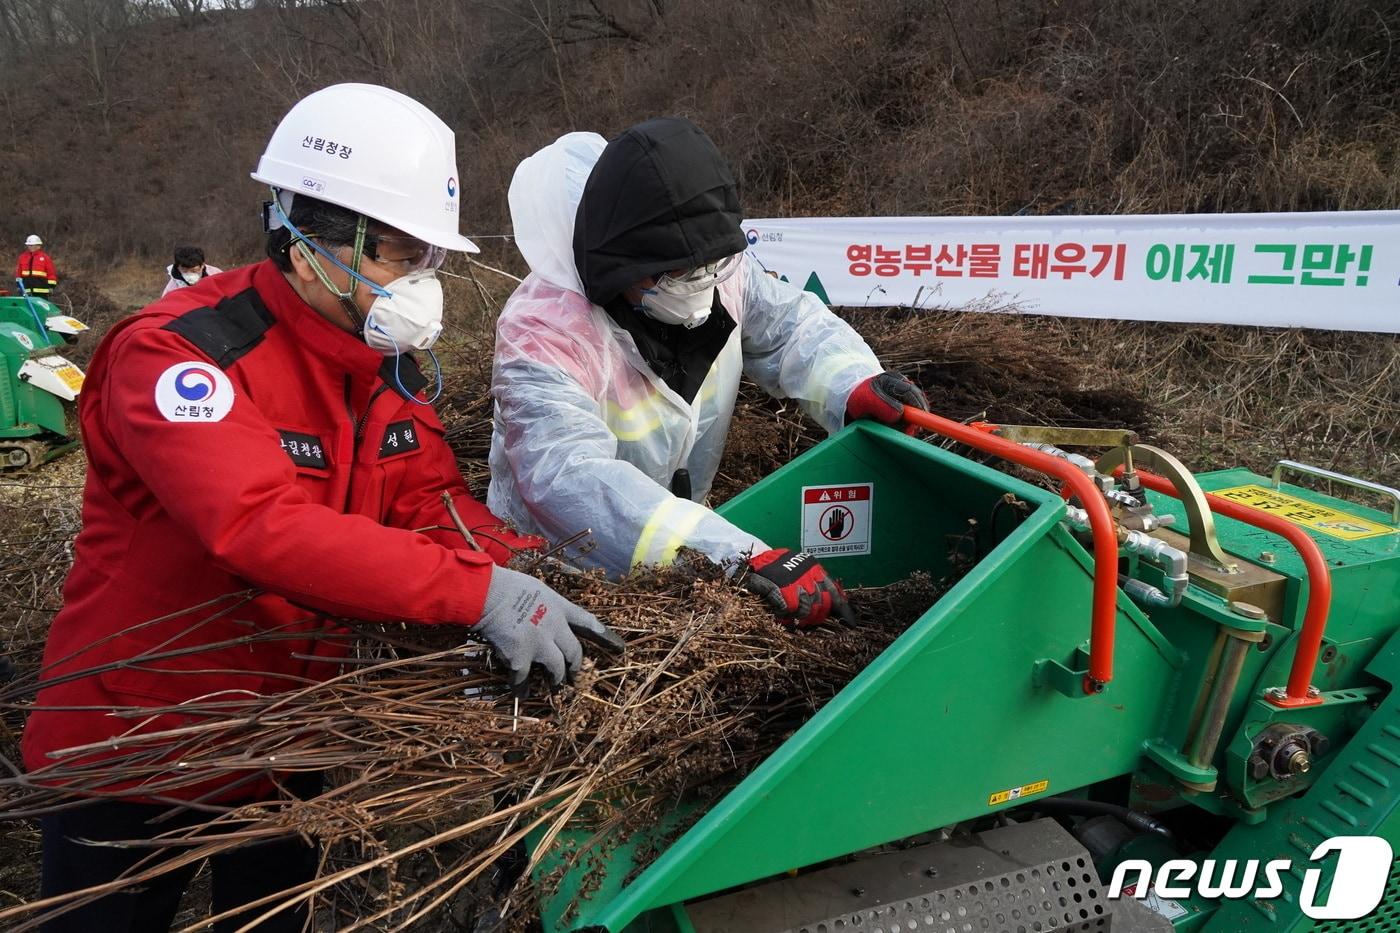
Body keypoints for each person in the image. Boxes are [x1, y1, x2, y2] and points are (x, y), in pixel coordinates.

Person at [22, 83, 621, 933]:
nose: (421, 285)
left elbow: (433, 505)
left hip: (287, 742)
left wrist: (537, 569)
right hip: (135, 745)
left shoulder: (382, 371)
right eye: (398, 256)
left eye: (430, 259)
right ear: (306, 246)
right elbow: (258, 526)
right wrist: (473, 594)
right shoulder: (178, 357)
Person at [488, 119, 928, 629]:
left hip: (683, 533)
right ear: (617, 264)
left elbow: (789, 328)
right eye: (673, 272)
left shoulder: (716, 264)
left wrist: (852, 384)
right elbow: (570, 478)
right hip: (564, 569)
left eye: (708, 264)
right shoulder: (542, 333)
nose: (699, 282)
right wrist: (733, 556)